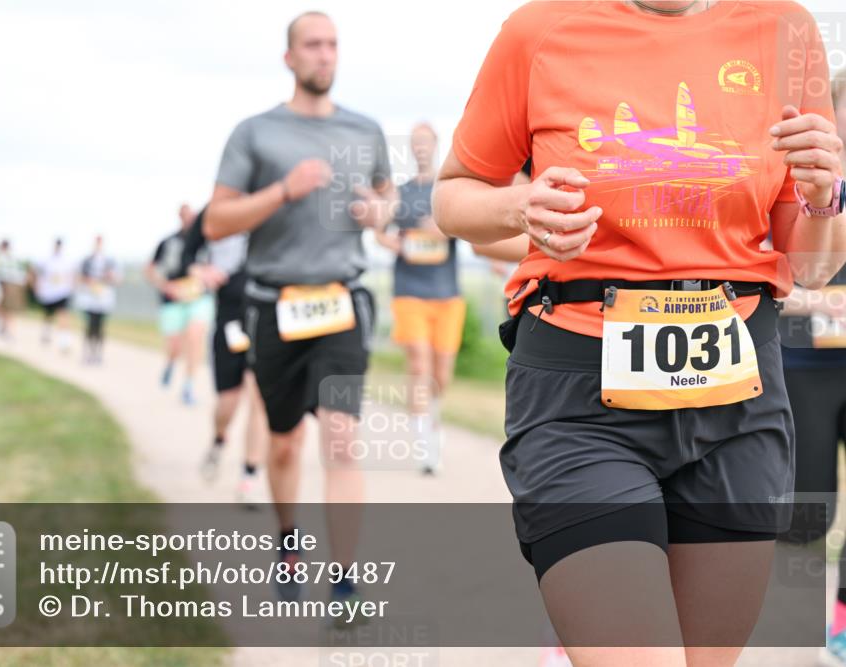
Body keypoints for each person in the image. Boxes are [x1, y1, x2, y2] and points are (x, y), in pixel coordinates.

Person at [433, 1, 844, 664]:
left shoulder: (785, 30)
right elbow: (452, 198)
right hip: (580, 394)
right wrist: (518, 205)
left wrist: (826, 195)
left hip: (737, 394)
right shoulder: (542, 29)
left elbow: (813, 262)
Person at [204, 11, 396, 612]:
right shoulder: (255, 133)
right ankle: (289, 543)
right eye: (312, 45)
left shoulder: (365, 131)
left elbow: (386, 197)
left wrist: (378, 211)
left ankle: (344, 580)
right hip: (274, 304)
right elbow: (216, 221)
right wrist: (282, 191)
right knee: (283, 443)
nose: (324, 54)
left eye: (333, 44)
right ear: (289, 57)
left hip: (341, 301)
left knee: (340, 437)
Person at [776, 67, 846, 666]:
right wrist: (814, 299)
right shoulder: (800, 181)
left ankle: (842, 625)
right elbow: (774, 275)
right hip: (804, 364)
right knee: (807, 514)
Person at [373, 122, 463, 475]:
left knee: (441, 373)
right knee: (419, 366)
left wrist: (443, 228)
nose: (421, 148)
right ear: (411, 149)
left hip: (447, 292)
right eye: (415, 143)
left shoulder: (449, 190)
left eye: (426, 142)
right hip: (409, 290)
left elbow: (470, 227)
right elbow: (379, 231)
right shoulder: (401, 192)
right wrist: (395, 243)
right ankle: (425, 441)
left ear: (436, 144)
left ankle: (433, 416)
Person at [181, 208, 269, 507]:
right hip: (230, 318)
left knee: (259, 397)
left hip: (267, 316)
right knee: (228, 403)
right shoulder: (216, 210)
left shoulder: (274, 201)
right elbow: (186, 258)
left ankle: (250, 475)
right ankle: (219, 439)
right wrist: (201, 271)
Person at [145, 204, 215, 405]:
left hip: (199, 297)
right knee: (175, 345)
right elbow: (150, 270)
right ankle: (170, 362)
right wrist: (164, 285)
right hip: (173, 298)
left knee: (195, 336)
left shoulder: (208, 241)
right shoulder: (168, 242)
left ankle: (189, 385)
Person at [76, 235, 120, 365]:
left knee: (100, 327)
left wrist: (109, 277)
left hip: (104, 298)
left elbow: (116, 279)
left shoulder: (110, 261)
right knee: (90, 326)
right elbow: (80, 278)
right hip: (89, 297)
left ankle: (98, 353)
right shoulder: (87, 260)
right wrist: (89, 281)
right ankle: (88, 352)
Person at [31, 238, 75, 353]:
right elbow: (34, 270)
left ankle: (64, 342)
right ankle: (46, 333)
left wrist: (71, 286)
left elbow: (71, 275)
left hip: (62, 292)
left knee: (63, 315)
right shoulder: (46, 259)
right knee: (48, 315)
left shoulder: (67, 261)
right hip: (48, 293)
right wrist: (36, 285)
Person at [0, 240, 25, 338]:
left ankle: (4, 328)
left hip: (7, 285)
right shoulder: (1, 257)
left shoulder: (8, 258)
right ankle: (1, 327)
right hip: (2, 284)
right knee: (1, 307)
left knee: (6, 309)